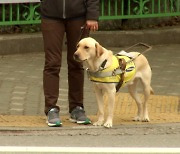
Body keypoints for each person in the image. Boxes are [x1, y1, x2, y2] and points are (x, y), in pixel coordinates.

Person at [40, 0, 99, 127]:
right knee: (52, 63)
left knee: (77, 63)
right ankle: (51, 109)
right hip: (51, 16)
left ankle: (77, 107)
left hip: (78, 16)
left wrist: (92, 15)